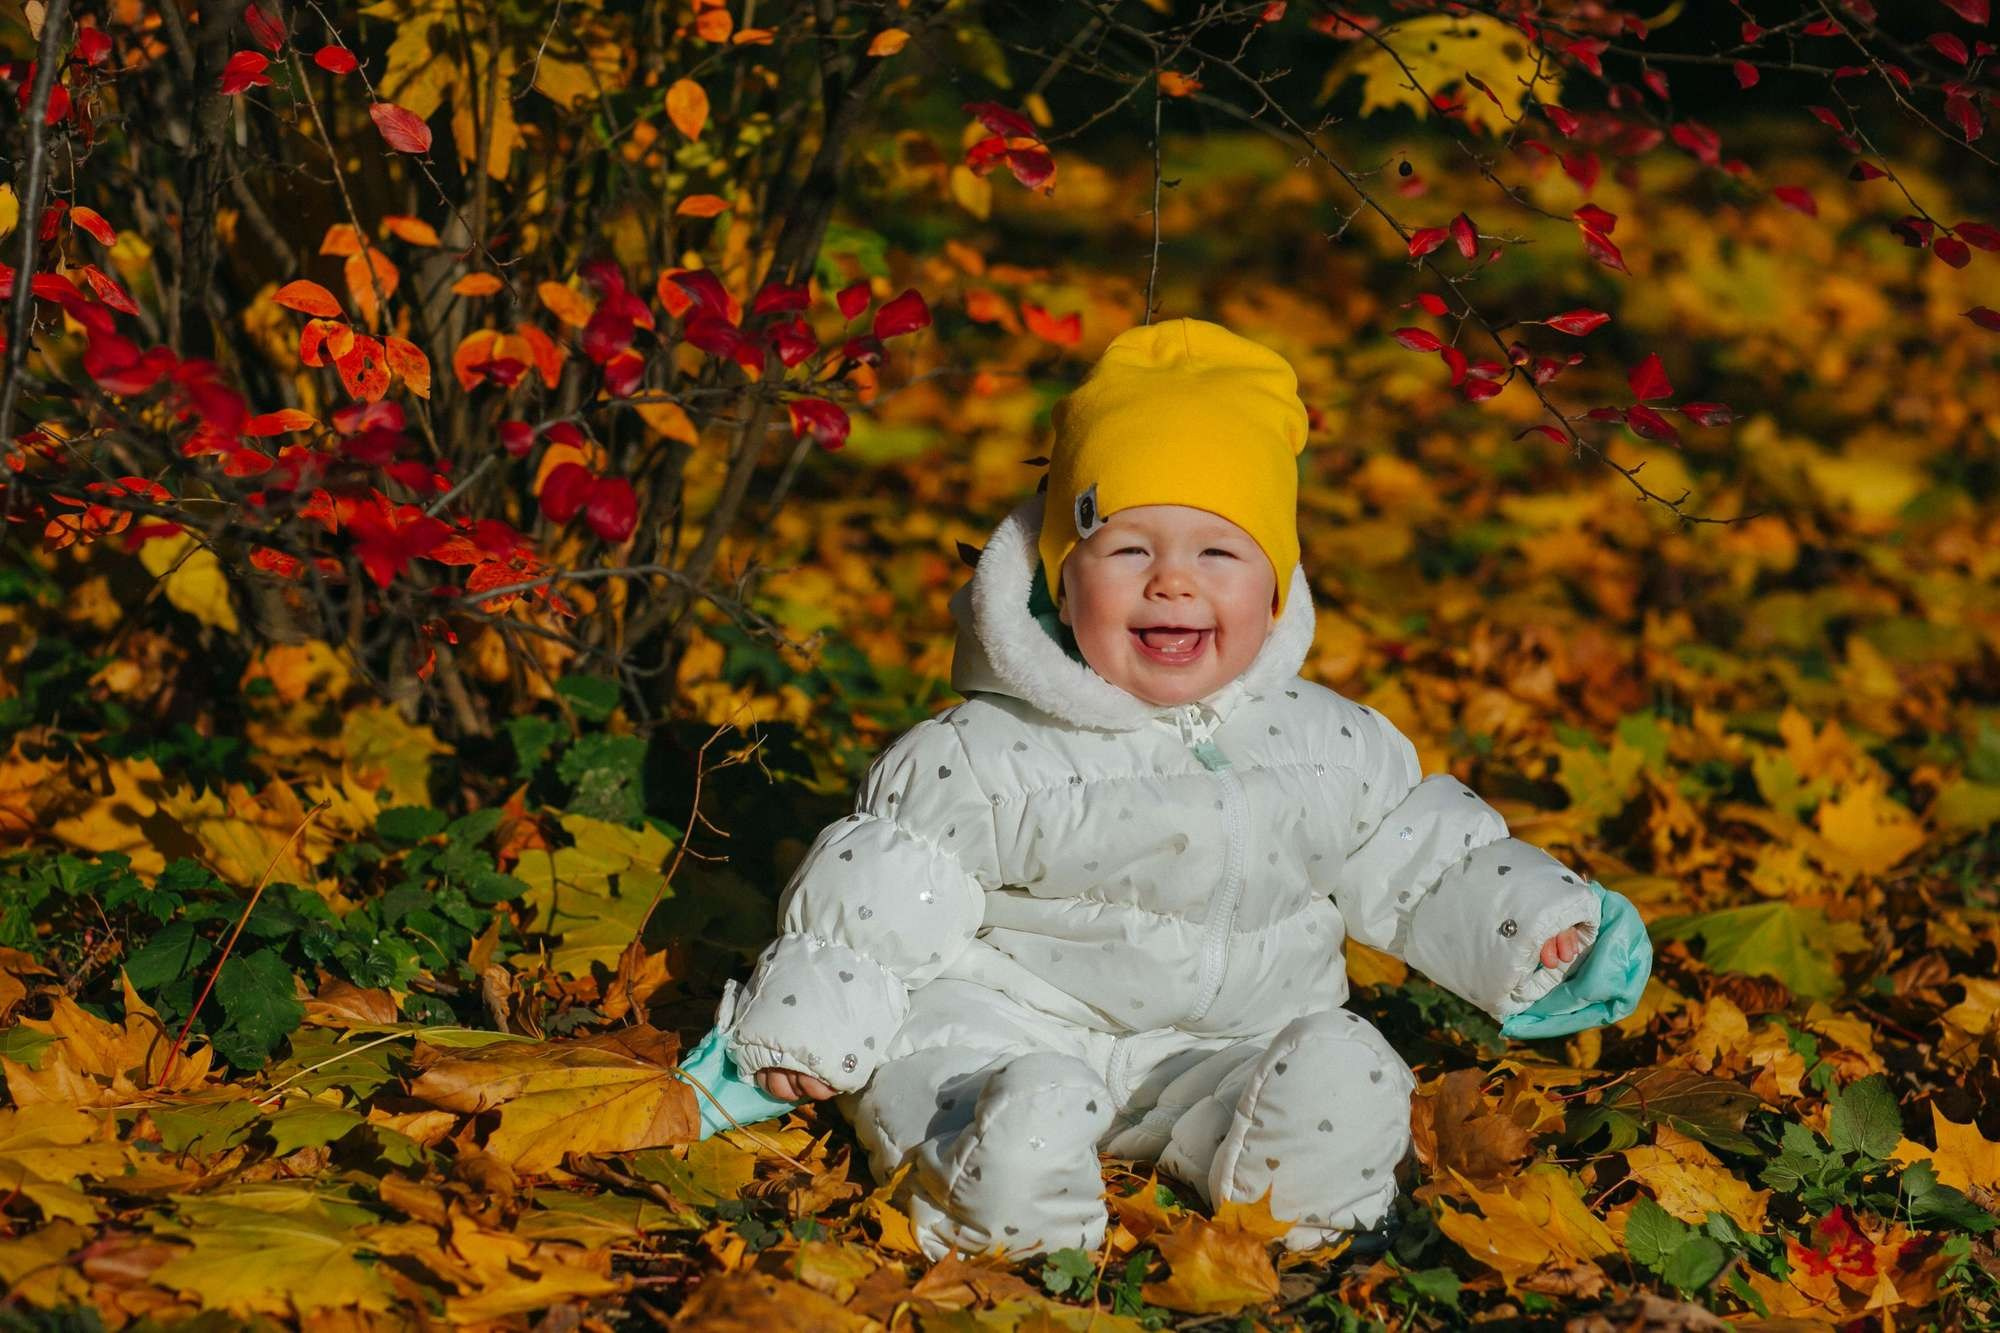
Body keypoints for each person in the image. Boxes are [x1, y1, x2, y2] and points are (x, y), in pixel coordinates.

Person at [706, 317, 1639, 1260]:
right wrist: (803, 1030)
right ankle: (1005, 1174)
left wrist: (1539, 926)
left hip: (1219, 1050)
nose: (1172, 584)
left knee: (1342, 1073)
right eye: (1129, 551)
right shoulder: (987, 751)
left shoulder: (1328, 742)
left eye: (1218, 554)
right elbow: (875, 899)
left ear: (1275, 587)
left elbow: (1424, 857)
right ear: (1060, 582)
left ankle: (1295, 1197)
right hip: (1010, 1028)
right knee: (974, 1089)